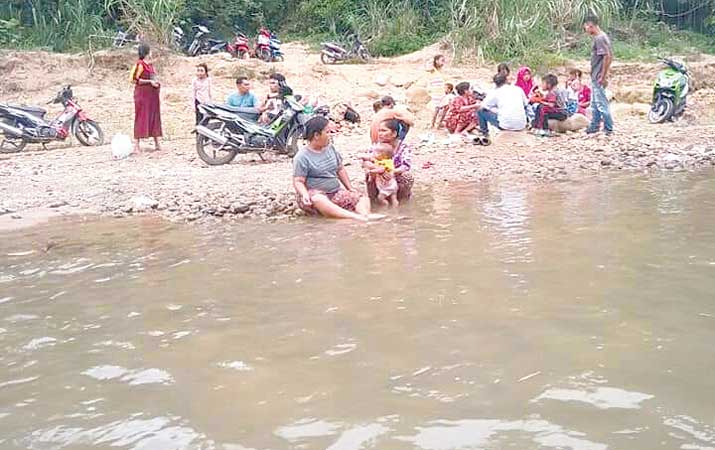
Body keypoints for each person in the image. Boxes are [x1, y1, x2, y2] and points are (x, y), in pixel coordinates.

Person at [293, 116, 381, 221]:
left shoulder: (330, 148)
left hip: (334, 192)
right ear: (316, 135)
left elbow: (340, 169)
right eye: (328, 132)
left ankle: (365, 215)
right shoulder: (302, 157)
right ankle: (354, 217)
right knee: (318, 199)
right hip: (313, 195)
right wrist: (304, 194)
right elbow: (298, 181)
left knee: (362, 197)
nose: (330, 136)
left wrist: (350, 188)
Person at [365, 119, 414, 202]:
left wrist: (390, 171)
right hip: (379, 176)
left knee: (407, 176)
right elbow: (366, 161)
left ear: (394, 133)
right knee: (368, 173)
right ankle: (374, 200)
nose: (380, 133)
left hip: (395, 176)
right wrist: (379, 170)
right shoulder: (377, 146)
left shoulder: (403, 147)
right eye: (379, 131)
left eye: (383, 130)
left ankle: (403, 201)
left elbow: (406, 166)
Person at [584, 15, 614, 135]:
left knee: (601, 103)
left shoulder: (599, 38)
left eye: (586, 27)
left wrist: (603, 75)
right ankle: (594, 125)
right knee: (594, 103)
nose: (586, 30)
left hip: (598, 75)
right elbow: (609, 56)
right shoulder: (602, 36)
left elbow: (607, 56)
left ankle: (608, 127)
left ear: (590, 26)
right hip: (596, 75)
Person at [130, 43, 162, 153]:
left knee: (154, 116)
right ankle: (136, 145)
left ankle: (157, 142)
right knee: (141, 117)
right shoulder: (140, 65)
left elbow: (153, 77)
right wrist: (149, 82)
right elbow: (134, 80)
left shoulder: (150, 65)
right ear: (147, 52)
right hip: (142, 95)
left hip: (152, 95)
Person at [362, 142, 399, 208]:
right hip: (392, 184)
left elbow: (381, 169)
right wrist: (362, 156)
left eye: (377, 153)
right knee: (394, 198)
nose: (374, 154)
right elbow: (370, 159)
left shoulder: (385, 162)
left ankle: (385, 206)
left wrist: (372, 171)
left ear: (385, 156)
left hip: (387, 186)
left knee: (380, 198)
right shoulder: (381, 160)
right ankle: (395, 208)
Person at [428, 54, 447, 128]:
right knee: (436, 108)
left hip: (442, 91)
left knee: (444, 108)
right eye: (442, 60)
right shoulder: (433, 69)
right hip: (436, 91)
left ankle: (438, 123)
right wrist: (432, 60)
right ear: (436, 61)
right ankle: (432, 124)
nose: (443, 63)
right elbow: (427, 67)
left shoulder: (441, 71)